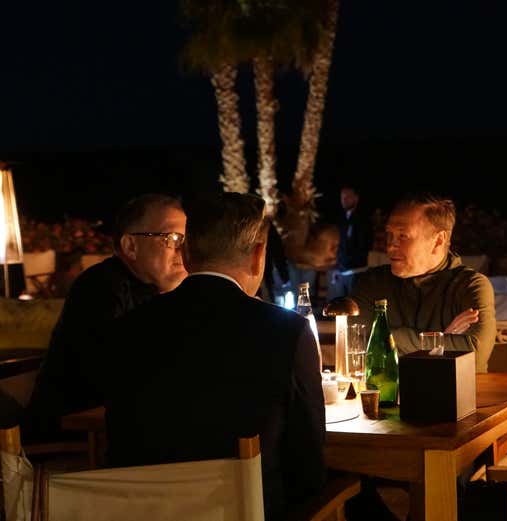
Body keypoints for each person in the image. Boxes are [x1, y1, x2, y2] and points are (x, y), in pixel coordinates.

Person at [102, 193, 325, 521]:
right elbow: (309, 462)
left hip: (148, 512)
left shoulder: (129, 329)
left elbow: (119, 448)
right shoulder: (287, 333)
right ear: (258, 256)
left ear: (187, 254)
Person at [23, 193, 187, 438]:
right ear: (130, 245)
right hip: (73, 439)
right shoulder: (100, 288)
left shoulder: (160, 291)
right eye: (172, 238)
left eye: (186, 239)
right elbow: (118, 374)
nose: (183, 250)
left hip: (117, 432)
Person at [350, 192, 496, 372]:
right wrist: (441, 340)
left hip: (455, 396)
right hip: (387, 397)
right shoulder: (372, 284)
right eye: (389, 234)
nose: (390, 245)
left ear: (438, 240)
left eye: (403, 236)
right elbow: (357, 345)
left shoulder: (469, 286)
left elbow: (475, 354)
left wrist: (389, 339)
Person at [328, 182, 374, 300]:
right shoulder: (341, 219)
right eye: (342, 197)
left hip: (356, 271)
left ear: (356, 198)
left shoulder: (363, 219)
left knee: (355, 306)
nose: (344, 200)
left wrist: (348, 261)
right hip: (341, 271)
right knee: (340, 308)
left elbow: (365, 245)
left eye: (348, 197)